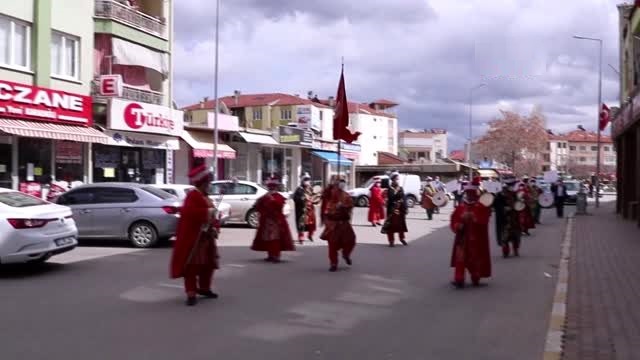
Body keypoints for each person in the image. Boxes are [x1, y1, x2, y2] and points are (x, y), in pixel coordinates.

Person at [169, 165, 220, 306]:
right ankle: (191, 293)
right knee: (192, 266)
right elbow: (190, 214)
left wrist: (215, 226)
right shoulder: (192, 196)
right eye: (207, 183)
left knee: (208, 265)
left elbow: (213, 215)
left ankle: (204, 288)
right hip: (195, 239)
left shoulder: (205, 196)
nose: (209, 185)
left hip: (207, 238)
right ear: (202, 183)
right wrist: (208, 212)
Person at [449, 177, 492, 288]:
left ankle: (475, 277)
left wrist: (473, 217)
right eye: (467, 193)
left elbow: (484, 219)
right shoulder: (461, 206)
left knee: (475, 258)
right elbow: (454, 218)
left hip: (476, 238)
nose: (469, 195)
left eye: (471, 193)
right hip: (463, 237)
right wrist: (458, 224)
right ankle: (459, 279)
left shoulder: (481, 205)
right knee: (460, 258)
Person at [251, 177, 295, 263]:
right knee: (268, 238)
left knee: (275, 239)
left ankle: (276, 255)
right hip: (267, 220)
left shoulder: (278, 197)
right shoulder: (265, 196)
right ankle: (270, 255)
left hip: (276, 221)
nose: (271, 189)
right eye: (270, 187)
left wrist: (271, 200)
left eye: (272, 187)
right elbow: (258, 206)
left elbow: (279, 206)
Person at [320, 176, 356, 272]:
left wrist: (343, 206)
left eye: (343, 182)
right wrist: (330, 185)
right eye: (340, 182)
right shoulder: (331, 192)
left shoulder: (346, 195)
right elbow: (324, 196)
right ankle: (333, 263)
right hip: (333, 223)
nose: (342, 184)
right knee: (332, 245)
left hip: (344, 223)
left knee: (351, 240)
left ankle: (346, 254)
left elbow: (351, 206)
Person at [494, 179, 522, 258]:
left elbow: (517, 204)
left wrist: (519, 205)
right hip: (504, 219)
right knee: (504, 237)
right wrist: (504, 208)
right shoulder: (499, 195)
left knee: (515, 235)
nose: (511, 187)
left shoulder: (514, 194)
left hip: (514, 218)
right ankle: (505, 251)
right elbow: (496, 205)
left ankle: (515, 250)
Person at [382, 172, 408, 246]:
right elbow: (391, 198)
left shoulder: (401, 188)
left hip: (400, 210)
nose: (397, 181)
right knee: (391, 226)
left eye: (398, 179)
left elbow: (404, 198)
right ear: (393, 180)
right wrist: (398, 195)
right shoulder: (389, 189)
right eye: (396, 179)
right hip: (392, 210)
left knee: (401, 225)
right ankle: (391, 240)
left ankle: (402, 239)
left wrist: (405, 208)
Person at [293, 174, 319, 243]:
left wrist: (315, 200)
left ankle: (310, 235)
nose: (307, 181)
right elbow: (295, 198)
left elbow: (316, 197)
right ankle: (301, 236)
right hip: (302, 210)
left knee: (311, 224)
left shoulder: (311, 189)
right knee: (301, 223)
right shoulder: (299, 189)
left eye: (308, 180)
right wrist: (302, 199)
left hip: (310, 210)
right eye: (305, 180)